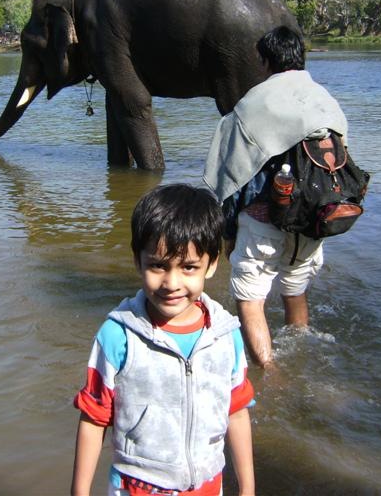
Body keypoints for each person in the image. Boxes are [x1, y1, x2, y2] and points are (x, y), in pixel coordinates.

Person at [71, 184, 255, 496]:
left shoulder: (225, 335)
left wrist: (248, 488)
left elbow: (236, 413)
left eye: (188, 267)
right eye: (157, 265)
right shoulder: (118, 335)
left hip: (208, 487)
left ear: (211, 264)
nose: (171, 283)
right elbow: (93, 417)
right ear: (137, 261)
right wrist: (79, 491)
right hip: (137, 488)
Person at [203, 26, 349, 368]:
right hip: (314, 219)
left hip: (263, 221)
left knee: (250, 298)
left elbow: (229, 174)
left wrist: (227, 229)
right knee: (294, 287)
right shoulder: (326, 100)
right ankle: (301, 352)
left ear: (264, 61)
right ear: (301, 56)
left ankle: (270, 375)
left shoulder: (254, 102)